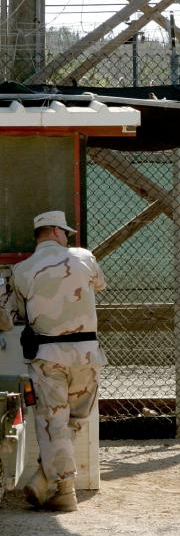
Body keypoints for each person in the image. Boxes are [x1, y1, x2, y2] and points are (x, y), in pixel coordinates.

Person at [0, 211, 107, 512]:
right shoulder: (84, 258)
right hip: (87, 355)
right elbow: (99, 284)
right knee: (72, 421)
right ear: (57, 233)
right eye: (66, 234)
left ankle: (62, 489)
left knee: (53, 423)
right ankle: (45, 480)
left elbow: (9, 318)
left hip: (48, 358)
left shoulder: (21, 270)